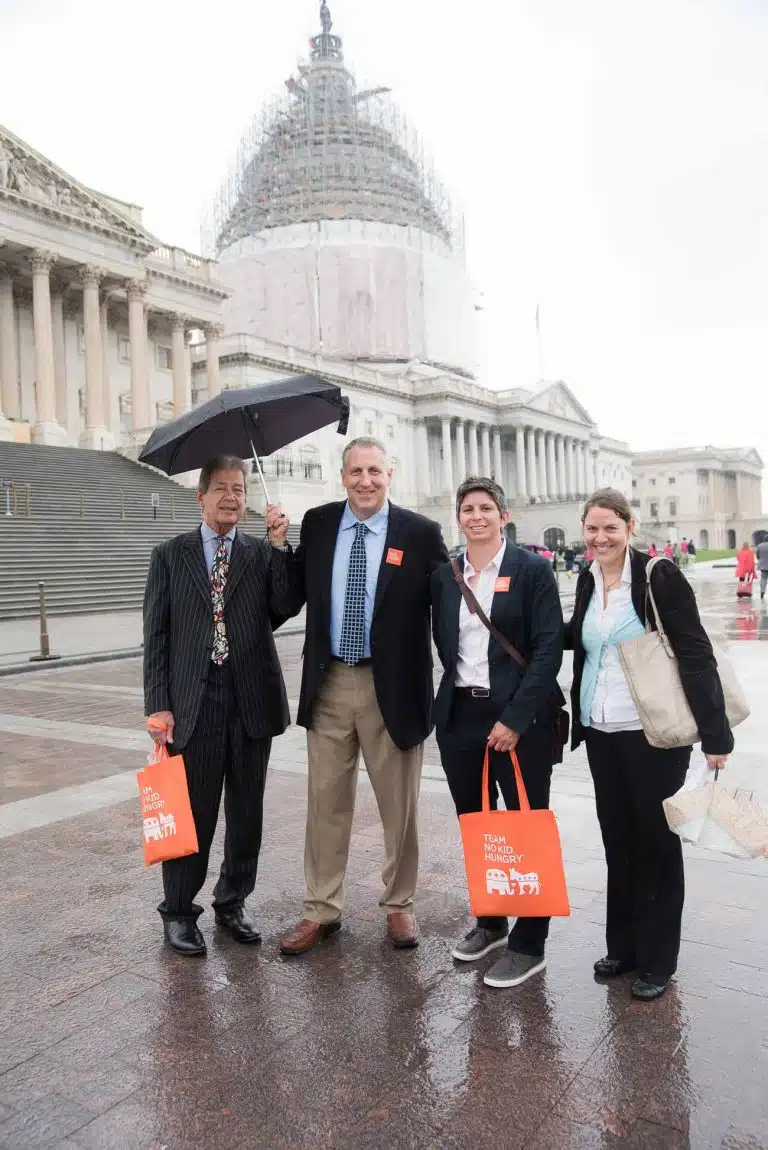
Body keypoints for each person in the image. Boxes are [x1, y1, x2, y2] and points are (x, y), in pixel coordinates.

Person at [279, 437, 448, 955]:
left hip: (391, 688)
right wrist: (275, 549)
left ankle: (399, 905)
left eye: (374, 470)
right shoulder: (320, 523)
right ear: (342, 475)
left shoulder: (419, 534)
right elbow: (289, 599)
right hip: (329, 685)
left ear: (389, 474)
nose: (365, 481)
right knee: (325, 803)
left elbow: (446, 608)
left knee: (399, 807)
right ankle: (321, 909)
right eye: (356, 471)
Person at [565, 489, 733, 1001]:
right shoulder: (587, 579)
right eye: (592, 529)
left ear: (629, 527)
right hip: (600, 729)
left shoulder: (658, 576)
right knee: (618, 839)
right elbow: (579, 638)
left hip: (652, 734)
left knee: (657, 845)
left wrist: (715, 733)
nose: (600, 538)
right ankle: (625, 947)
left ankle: (659, 959)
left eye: (610, 528)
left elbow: (695, 650)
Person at [143, 456, 300, 956]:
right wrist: (159, 704)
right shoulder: (170, 555)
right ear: (201, 496)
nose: (232, 497)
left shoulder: (257, 552)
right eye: (222, 489)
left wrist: (280, 547)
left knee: (246, 810)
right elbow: (158, 636)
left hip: (251, 697)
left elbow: (284, 606)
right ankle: (178, 910)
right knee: (196, 811)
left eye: (239, 488)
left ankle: (232, 901)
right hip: (196, 701)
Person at [431, 477, 564, 989]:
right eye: (468, 508)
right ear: (459, 517)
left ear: (503, 515)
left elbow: (549, 649)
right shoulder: (446, 577)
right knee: (479, 826)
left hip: (519, 720)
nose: (477, 516)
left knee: (526, 828)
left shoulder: (532, 571)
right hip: (461, 716)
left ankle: (530, 943)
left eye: (486, 508)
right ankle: (490, 922)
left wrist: (515, 718)